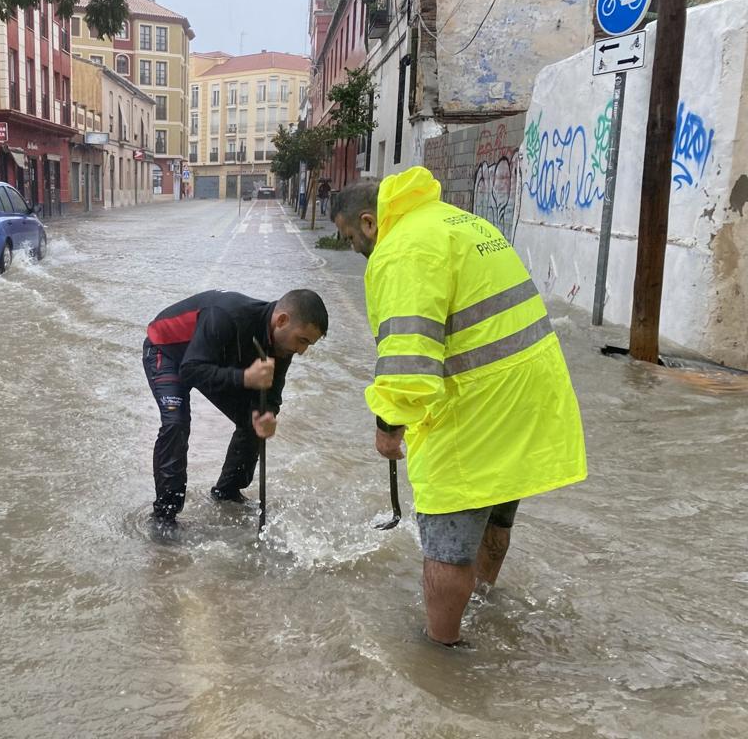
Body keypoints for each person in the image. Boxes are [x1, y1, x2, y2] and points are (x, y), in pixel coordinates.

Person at [331, 167, 586, 646]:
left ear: (368, 223)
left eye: (349, 238)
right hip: (529, 398)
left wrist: (388, 426)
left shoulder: (403, 249)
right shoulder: (459, 221)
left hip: (478, 409)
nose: (353, 249)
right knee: (496, 514)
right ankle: (484, 601)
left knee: (447, 546)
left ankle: (442, 654)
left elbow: (408, 361)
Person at [143, 289, 329, 526]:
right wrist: (244, 378)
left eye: (308, 345)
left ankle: (227, 494)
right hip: (167, 352)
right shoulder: (227, 315)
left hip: (211, 361)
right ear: (282, 320)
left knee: (254, 420)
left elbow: (271, 394)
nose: (302, 351)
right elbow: (190, 371)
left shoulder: (282, 343)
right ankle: (164, 516)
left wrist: (268, 415)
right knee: (176, 424)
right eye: (302, 340)